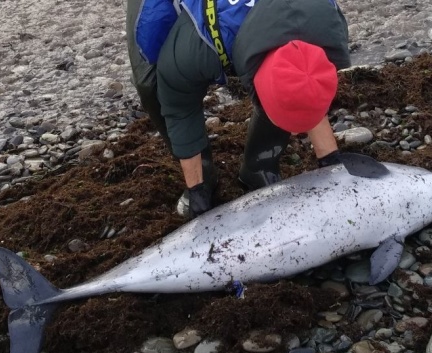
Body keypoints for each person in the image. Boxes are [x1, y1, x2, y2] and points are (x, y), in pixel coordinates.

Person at [126, 0, 351, 218]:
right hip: (196, 33)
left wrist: (331, 161)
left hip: (248, 36)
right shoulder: (198, 44)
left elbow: (302, 85)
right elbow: (179, 107)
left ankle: (257, 167)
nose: (294, 135)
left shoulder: (325, 25)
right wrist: (196, 187)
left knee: (283, 95)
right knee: (152, 85)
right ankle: (204, 173)